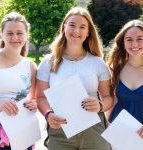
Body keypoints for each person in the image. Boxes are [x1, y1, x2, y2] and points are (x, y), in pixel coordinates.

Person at [36, 7, 113, 150]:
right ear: (64, 26)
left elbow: (109, 98)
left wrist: (100, 105)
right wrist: (48, 114)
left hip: (94, 129)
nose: (76, 31)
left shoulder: (98, 63)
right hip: (60, 129)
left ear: (88, 32)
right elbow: (40, 97)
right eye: (72, 25)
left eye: (82, 27)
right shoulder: (48, 62)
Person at [0, 12, 37, 150]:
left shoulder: (31, 66)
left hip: (22, 130)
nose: (15, 38)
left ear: (26, 35)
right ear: (1, 34)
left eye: (19, 33)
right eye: (9, 33)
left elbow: (34, 100)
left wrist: (33, 105)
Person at [107, 20, 143, 138]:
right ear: (123, 42)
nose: (135, 44)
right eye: (129, 39)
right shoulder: (115, 68)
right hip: (119, 133)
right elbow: (112, 101)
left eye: (139, 39)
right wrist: (107, 127)